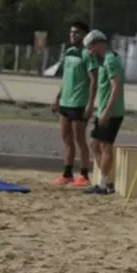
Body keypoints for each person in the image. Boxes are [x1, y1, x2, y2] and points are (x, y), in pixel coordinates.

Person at [51, 21, 98, 187]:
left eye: (77, 32)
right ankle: (67, 174)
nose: (73, 35)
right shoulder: (69, 52)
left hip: (79, 103)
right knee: (66, 139)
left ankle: (84, 174)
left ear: (85, 35)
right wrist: (57, 97)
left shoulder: (88, 55)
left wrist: (90, 105)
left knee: (80, 140)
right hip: (65, 101)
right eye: (71, 32)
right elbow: (66, 78)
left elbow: (94, 81)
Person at [82, 30, 126, 195]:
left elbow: (116, 87)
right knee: (94, 144)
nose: (90, 52)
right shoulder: (103, 62)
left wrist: (107, 111)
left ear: (99, 44)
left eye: (90, 47)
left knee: (105, 145)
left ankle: (103, 184)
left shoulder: (110, 60)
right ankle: (107, 181)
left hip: (112, 113)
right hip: (102, 112)